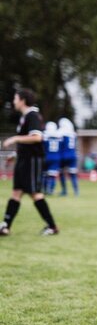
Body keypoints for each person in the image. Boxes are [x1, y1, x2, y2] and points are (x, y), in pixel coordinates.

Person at [0, 89, 59, 236]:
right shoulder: (25, 117)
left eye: (15, 98)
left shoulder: (32, 115)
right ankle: (5, 226)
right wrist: (14, 154)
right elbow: (26, 142)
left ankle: (52, 226)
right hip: (24, 160)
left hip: (32, 161)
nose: (13, 101)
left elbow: (37, 137)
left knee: (35, 193)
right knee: (16, 193)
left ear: (22, 100)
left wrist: (15, 139)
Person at [58, 118, 79, 196]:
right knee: (73, 174)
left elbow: (60, 145)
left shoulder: (61, 133)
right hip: (73, 155)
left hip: (63, 155)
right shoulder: (73, 134)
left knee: (62, 173)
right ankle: (76, 191)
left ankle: (64, 191)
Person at [43, 122, 62, 195]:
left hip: (46, 156)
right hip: (56, 157)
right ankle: (50, 190)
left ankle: (44, 189)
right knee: (53, 175)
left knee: (44, 174)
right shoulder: (59, 136)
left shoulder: (45, 136)